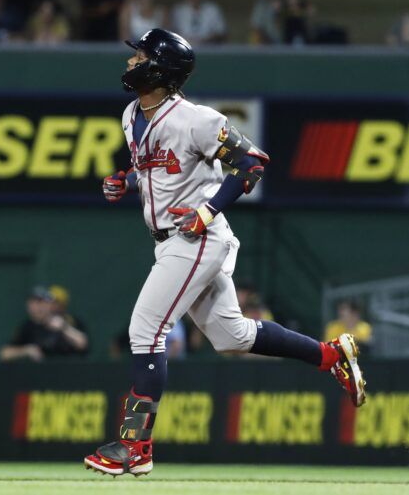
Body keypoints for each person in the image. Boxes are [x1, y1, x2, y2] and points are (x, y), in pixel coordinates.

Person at [86, 28, 366, 477]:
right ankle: (331, 355)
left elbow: (251, 162)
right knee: (231, 337)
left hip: (196, 238)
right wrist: (127, 181)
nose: (130, 62)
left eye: (139, 56)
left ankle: (134, 447)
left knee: (146, 331)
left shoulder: (196, 118)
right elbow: (155, 170)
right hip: (169, 241)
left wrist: (208, 209)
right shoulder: (130, 115)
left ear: (160, 68)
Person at [0, 286, 89, 362]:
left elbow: (83, 343)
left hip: (70, 371)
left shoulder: (68, 320)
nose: (39, 307)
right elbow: (4, 354)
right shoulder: (28, 326)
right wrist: (26, 350)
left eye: (42, 302)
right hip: (43, 374)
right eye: (35, 303)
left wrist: (64, 327)